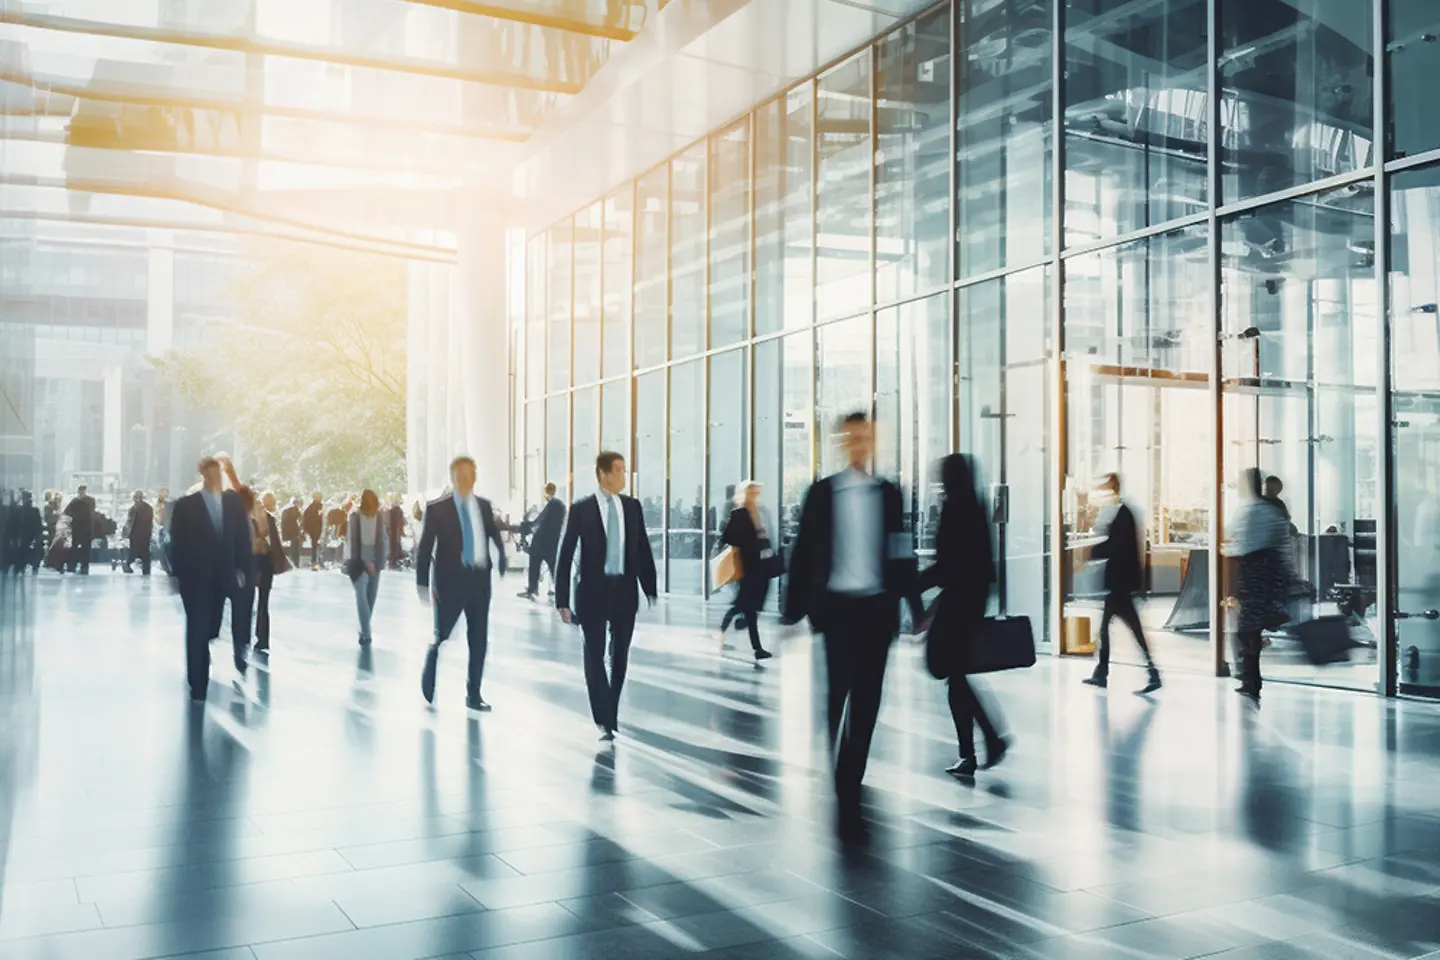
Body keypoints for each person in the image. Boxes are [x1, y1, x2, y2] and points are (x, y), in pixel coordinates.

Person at [783, 412, 914, 841]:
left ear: (873, 441)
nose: (860, 444)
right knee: (836, 695)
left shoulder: (889, 494)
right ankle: (842, 776)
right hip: (837, 611)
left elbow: (901, 553)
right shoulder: (822, 494)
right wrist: (792, 609)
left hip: (876, 612)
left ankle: (849, 779)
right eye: (853, 437)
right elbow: (802, 551)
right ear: (843, 442)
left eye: (866, 437)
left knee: (868, 701)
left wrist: (914, 604)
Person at [555, 451, 659, 741]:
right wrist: (561, 600)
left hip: (624, 592)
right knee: (594, 654)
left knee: (620, 654)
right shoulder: (581, 509)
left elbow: (641, 548)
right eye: (619, 470)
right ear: (603, 474)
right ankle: (604, 718)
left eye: (626, 470)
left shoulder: (632, 507)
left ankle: (609, 707)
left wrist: (649, 586)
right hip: (591, 593)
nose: (625, 476)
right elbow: (564, 556)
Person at [915, 455, 1006, 778]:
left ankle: (983, 744)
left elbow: (948, 564)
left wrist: (914, 585)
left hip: (957, 604)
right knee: (957, 677)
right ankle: (980, 745)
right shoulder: (975, 506)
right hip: (970, 601)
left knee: (953, 674)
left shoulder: (955, 509)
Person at [415, 456, 508, 711]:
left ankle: (474, 694)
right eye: (460, 475)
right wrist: (422, 583)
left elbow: (493, 534)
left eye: (470, 474)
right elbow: (425, 548)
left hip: (479, 581)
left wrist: (501, 558)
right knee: (442, 634)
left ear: (475, 476)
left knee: (478, 639)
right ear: (452, 478)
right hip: (449, 582)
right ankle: (431, 660)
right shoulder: (437, 509)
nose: (465, 479)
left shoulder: (484, 507)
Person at [169, 457, 254, 701]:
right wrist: (180, 575)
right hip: (196, 578)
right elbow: (178, 543)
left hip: (224, 576)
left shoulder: (232, 502)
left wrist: (244, 570)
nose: (217, 479)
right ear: (204, 475)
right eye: (213, 474)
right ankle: (198, 683)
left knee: (210, 628)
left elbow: (241, 539)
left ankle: (206, 649)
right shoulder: (187, 505)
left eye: (220, 474)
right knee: (197, 627)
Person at [1082, 473, 1163, 695]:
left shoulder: (1122, 514)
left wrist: (1093, 552)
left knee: (1114, 629)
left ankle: (1109, 673)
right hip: (1121, 583)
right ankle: (1145, 672)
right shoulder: (1123, 512)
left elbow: (1117, 547)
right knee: (1121, 629)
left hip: (1120, 583)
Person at [1228, 467, 1291, 705]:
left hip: (1255, 576)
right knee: (1249, 629)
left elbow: (1239, 543)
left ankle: (1250, 680)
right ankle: (1250, 679)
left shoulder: (1252, 511)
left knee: (1247, 629)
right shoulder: (1267, 510)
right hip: (1262, 576)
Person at [717, 481, 777, 660]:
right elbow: (728, 537)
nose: (755, 495)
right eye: (751, 492)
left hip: (759, 565)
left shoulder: (761, 512)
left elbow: (764, 535)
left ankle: (721, 635)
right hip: (746, 565)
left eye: (756, 491)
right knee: (746, 607)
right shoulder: (739, 514)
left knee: (742, 606)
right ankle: (757, 648)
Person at [350, 490, 389, 646]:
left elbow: (382, 539)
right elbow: (352, 540)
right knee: (362, 597)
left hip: (375, 560)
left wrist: (378, 562)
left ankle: (363, 627)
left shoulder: (379, 517)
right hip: (359, 562)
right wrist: (364, 562)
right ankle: (366, 633)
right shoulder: (355, 517)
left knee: (370, 599)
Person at [519, 482, 566, 601]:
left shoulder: (553, 504)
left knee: (535, 565)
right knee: (553, 567)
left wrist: (528, 525)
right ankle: (562, 591)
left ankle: (532, 589)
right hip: (552, 542)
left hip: (541, 541)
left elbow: (540, 520)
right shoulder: (561, 506)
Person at [63, 484, 96, 574]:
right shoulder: (81, 501)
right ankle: (77, 565)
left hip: (82, 526)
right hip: (81, 526)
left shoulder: (78, 501)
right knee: (78, 547)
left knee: (81, 547)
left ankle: (79, 565)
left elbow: (67, 512)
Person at [122, 490, 155, 575]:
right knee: (139, 553)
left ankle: (128, 565)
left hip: (142, 535)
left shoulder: (142, 508)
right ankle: (130, 566)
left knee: (139, 553)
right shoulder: (138, 508)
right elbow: (129, 522)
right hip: (138, 535)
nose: (136, 500)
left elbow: (130, 522)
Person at [302, 492, 325, 570]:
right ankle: (315, 562)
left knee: (315, 545)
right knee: (315, 545)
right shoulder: (317, 506)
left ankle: (315, 561)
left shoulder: (313, 506)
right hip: (315, 529)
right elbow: (317, 517)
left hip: (314, 528)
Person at [280, 496, 303, 569]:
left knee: (293, 550)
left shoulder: (285, 510)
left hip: (290, 533)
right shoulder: (296, 510)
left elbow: (283, 524)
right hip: (295, 533)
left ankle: (293, 564)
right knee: (295, 550)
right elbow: (300, 522)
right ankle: (295, 564)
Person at [385, 492, 406, 570]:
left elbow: (398, 522)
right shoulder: (397, 511)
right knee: (394, 547)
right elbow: (400, 522)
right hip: (394, 532)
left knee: (393, 547)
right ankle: (393, 563)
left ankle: (393, 563)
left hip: (393, 532)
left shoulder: (395, 511)